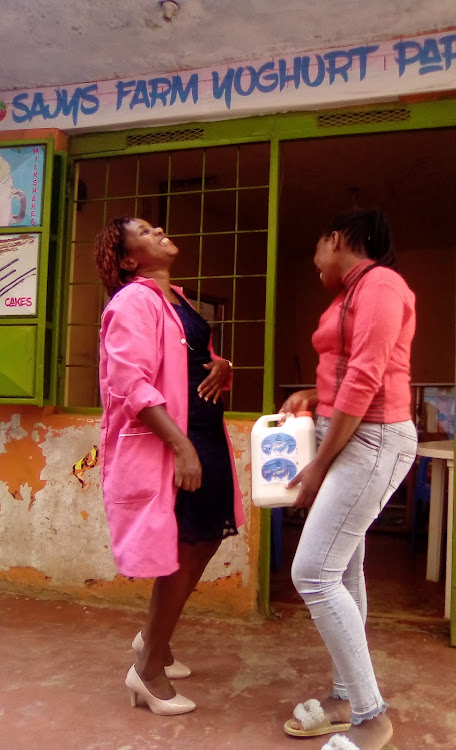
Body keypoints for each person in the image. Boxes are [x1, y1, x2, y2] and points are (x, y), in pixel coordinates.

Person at [94, 217, 244, 716]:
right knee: (184, 547)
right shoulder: (132, 301)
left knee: (204, 538)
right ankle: (149, 671)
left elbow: (190, 357)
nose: (158, 228)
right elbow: (130, 383)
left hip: (203, 431)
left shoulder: (174, 297)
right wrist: (180, 446)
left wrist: (222, 366)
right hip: (173, 441)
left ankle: (152, 643)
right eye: (143, 230)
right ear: (129, 259)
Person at [281, 209, 417, 750]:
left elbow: (366, 378)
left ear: (337, 240)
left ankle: (371, 716)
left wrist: (317, 466)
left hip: (372, 440)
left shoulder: (381, 284)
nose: (315, 263)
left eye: (317, 249)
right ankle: (344, 697)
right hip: (353, 435)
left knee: (312, 571)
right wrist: (314, 397)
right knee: (344, 567)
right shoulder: (350, 294)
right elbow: (350, 369)